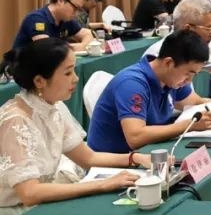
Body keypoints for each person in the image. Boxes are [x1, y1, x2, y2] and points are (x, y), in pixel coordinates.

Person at [0, 39, 152, 208]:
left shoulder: (54, 107)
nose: (75, 79)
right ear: (39, 81)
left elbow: (89, 158)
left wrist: (135, 158)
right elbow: (30, 193)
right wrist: (102, 184)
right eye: (67, 73)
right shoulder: (15, 121)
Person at [87, 30, 211, 152]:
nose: (189, 81)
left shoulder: (171, 79)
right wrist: (188, 125)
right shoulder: (132, 84)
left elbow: (195, 102)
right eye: (188, 74)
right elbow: (135, 137)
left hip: (146, 153)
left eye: (194, 75)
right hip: (114, 160)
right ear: (169, 63)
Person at [12, 0, 93, 50]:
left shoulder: (66, 19)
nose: (77, 13)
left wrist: (80, 46)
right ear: (61, 1)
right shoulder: (36, 18)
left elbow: (88, 34)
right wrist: (80, 46)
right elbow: (47, 50)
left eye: (79, 10)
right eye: (75, 8)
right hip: (21, 64)